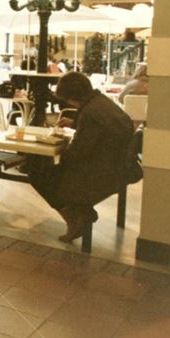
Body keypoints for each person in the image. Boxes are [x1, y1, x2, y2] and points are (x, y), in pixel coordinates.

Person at [28, 72, 141, 243]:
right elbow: (103, 129)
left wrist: (57, 146)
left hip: (99, 174)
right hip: (119, 167)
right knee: (48, 171)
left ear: (72, 97)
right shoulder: (103, 103)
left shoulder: (90, 114)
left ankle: (76, 218)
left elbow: (76, 155)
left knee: (39, 175)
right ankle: (79, 214)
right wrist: (76, 124)